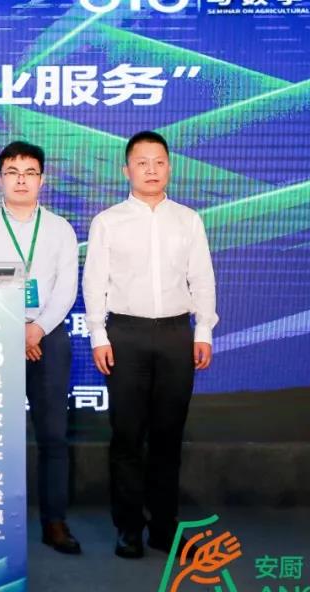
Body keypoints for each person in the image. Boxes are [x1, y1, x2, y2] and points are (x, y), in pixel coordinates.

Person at [82, 130, 217, 559]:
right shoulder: (108, 221)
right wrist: (99, 335)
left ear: (170, 167)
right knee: (127, 436)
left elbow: (202, 278)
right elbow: (95, 283)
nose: (151, 170)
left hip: (176, 334)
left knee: (167, 437)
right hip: (126, 335)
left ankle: (163, 528)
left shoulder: (188, 220)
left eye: (159, 162)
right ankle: (128, 528)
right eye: (142, 162)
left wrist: (203, 330)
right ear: (127, 170)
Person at [0, 141, 82, 555]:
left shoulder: (60, 229)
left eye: (30, 172)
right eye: (12, 172)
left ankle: (55, 522)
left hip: (49, 339)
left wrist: (37, 329)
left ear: (42, 180)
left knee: (53, 436)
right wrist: (15, 329)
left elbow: (66, 288)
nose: (21, 180)